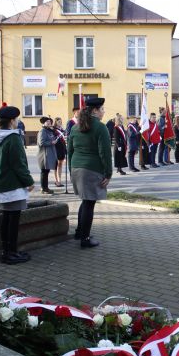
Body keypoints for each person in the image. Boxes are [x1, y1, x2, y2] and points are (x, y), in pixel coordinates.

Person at [0, 106, 34, 265]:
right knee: (13, 221)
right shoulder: (13, 138)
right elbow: (18, 164)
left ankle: (8, 251)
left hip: (1, 183)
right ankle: (10, 253)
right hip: (12, 185)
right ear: (11, 121)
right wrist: (28, 181)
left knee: (7, 220)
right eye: (17, 119)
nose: (18, 121)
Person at [67, 97, 112, 248]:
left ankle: (80, 232)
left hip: (76, 167)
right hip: (91, 169)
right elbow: (105, 153)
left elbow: (70, 150)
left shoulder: (75, 126)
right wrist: (108, 173)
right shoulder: (100, 127)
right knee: (89, 203)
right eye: (102, 109)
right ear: (95, 110)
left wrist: (71, 170)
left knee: (85, 201)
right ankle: (85, 239)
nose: (103, 112)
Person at [37, 116, 57, 194]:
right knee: (44, 171)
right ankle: (43, 188)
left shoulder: (49, 131)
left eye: (50, 122)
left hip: (48, 154)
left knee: (46, 171)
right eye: (47, 122)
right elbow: (41, 143)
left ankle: (46, 188)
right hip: (43, 155)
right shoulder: (42, 131)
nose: (49, 123)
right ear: (43, 123)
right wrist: (51, 142)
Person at [53, 117, 67, 187]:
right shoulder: (54, 130)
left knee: (60, 164)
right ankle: (56, 181)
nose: (60, 123)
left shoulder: (62, 130)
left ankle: (60, 180)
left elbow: (64, 139)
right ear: (55, 122)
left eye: (61, 122)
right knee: (56, 165)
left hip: (62, 148)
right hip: (56, 148)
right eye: (59, 122)